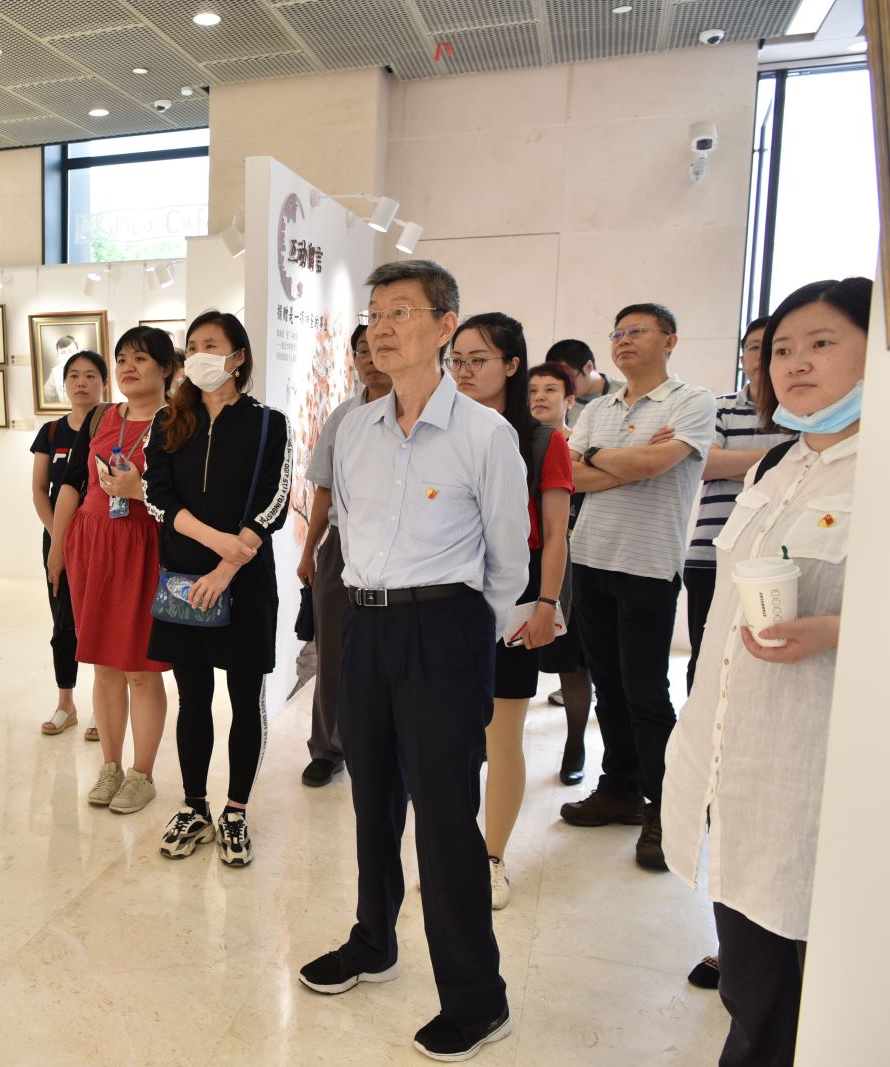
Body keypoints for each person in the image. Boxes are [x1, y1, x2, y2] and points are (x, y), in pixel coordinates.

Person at [298, 260, 527, 1062]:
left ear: (444, 325)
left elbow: (508, 563)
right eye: (375, 313)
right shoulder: (355, 429)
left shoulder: (485, 434)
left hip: (444, 629)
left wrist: (462, 638)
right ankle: (374, 940)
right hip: (364, 626)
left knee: (444, 816)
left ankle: (477, 997)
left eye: (401, 310)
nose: (382, 327)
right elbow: (350, 532)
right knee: (371, 799)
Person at [663, 276, 869, 1067]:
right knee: (754, 986)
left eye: (822, 343)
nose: (795, 363)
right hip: (740, 767)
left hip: (825, 782)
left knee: (822, 997)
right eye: (782, 349)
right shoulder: (774, 465)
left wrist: (837, 630)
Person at [558, 303, 715, 871]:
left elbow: (655, 465)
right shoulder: (598, 407)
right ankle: (618, 788)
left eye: (637, 331)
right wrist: (629, 458)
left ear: (669, 340)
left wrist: (601, 456)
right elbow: (569, 475)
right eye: (617, 333)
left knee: (646, 692)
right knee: (608, 686)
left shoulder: (692, 401)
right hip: (591, 559)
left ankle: (663, 808)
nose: (623, 340)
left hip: (648, 565)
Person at [141, 311, 292, 866]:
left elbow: (275, 501)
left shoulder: (269, 423)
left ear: (238, 356)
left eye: (212, 344)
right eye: (193, 345)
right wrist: (214, 542)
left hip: (245, 581)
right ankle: (194, 806)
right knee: (193, 698)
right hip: (184, 580)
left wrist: (229, 564)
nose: (200, 354)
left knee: (246, 699)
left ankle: (236, 810)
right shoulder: (168, 421)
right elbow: (157, 496)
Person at [449, 315, 574, 910]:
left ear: (513, 365)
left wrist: (547, 603)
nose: (464, 371)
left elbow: (554, 534)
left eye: (478, 360)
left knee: (502, 736)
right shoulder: (446, 432)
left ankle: (491, 858)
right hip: (449, 599)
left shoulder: (544, 441)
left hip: (515, 600)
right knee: (450, 738)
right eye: (457, 360)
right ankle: (453, 851)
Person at [47, 330, 176, 815]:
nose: (128, 367)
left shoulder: (178, 423)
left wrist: (140, 490)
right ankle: (110, 766)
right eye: (122, 359)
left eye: (140, 358)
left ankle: (142, 774)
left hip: (145, 548)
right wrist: (58, 547)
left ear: (166, 368)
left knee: (140, 668)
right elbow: (71, 485)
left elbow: (185, 498)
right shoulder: (102, 416)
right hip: (92, 545)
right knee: (102, 664)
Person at [296, 324, 392, 788]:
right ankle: (328, 747)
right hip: (340, 542)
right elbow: (324, 488)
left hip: (400, 547)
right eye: (361, 351)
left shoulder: (417, 412)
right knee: (332, 650)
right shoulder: (343, 417)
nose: (370, 360)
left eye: (378, 349)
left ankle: (390, 750)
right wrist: (309, 551)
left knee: (393, 654)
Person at [683, 318, 792, 689]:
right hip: (711, 552)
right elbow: (703, 465)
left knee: (765, 661)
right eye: (753, 347)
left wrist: (733, 462)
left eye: (772, 346)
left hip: (776, 559)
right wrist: (782, 457)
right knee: (704, 657)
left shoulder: (802, 414)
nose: (761, 355)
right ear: (743, 357)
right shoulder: (718, 407)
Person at [30, 350, 108, 740]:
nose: (81, 383)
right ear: (64, 384)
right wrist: (59, 537)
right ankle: (66, 703)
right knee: (64, 622)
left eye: (90, 375)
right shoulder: (51, 432)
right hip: (59, 541)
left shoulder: (113, 427)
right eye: (74, 375)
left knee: (101, 622)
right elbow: (39, 490)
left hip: (103, 540)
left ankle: (103, 706)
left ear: (104, 383)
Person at [528, 362, 592, 785]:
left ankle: (575, 744)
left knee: (572, 663)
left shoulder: (580, 446)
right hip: (526, 562)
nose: (539, 397)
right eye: (533, 390)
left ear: (570, 400)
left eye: (550, 390)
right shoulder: (516, 440)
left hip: (572, 563)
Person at [545, 338, 623, 427]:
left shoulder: (626, 393)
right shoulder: (558, 402)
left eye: (568, 379)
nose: (564, 387)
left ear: (589, 367)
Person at [42, 333, 81, 406]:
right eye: (63, 352)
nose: (67, 355)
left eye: (71, 351)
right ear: (58, 356)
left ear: (78, 353)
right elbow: (46, 396)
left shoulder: (89, 369)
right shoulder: (55, 372)